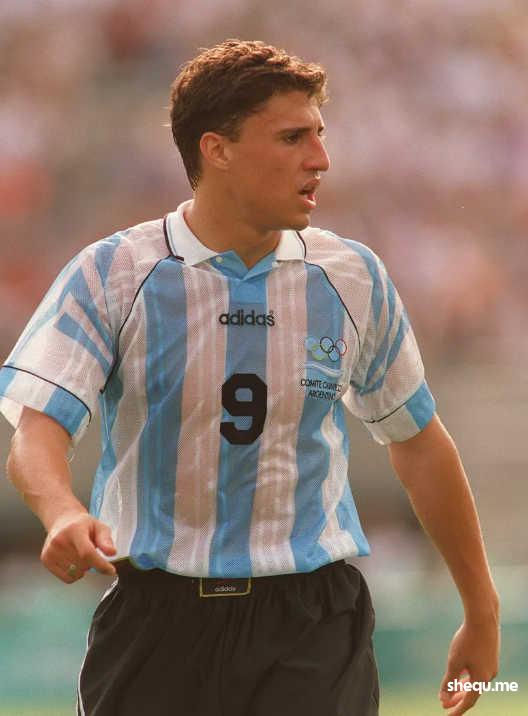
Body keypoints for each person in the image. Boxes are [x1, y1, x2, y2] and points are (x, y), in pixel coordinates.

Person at [0, 39, 499, 716]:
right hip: (155, 619)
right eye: (292, 138)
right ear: (217, 149)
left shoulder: (352, 276)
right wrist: (62, 512)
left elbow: (418, 442)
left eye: (319, 135)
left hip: (311, 622)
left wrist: (481, 608)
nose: (320, 159)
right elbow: (37, 429)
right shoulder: (114, 273)